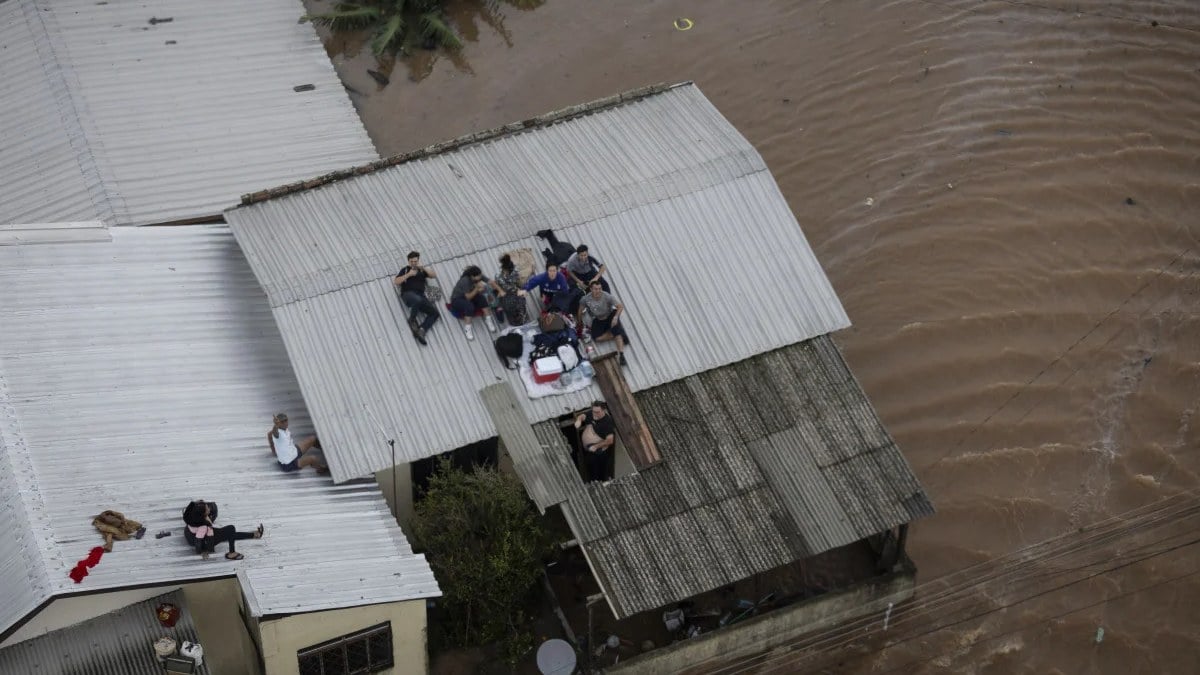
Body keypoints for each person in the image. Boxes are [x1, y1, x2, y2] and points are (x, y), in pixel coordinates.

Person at [182, 500, 263, 561]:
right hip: (206, 540)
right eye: (207, 509)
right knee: (231, 529)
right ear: (203, 514)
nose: (209, 508)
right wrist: (203, 551)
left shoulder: (193, 518)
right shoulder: (203, 527)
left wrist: (207, 518)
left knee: (230, 534)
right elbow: (198, 540)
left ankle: (254, 535)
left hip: (193, 534)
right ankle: (232, 553)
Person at [577, 280, 630, 366]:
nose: (598, 291)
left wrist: (615, 318)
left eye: (599, 289)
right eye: (595, 289)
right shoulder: (586, 299)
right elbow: (580, 311)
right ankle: (618, 334)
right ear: (591, 289)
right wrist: (579, 323)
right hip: (599, 319)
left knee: (616, 331)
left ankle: (621, 355)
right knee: (597, 338)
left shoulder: (607, 296)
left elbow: (620, 306)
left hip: (610, 316)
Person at [393, 251, 439, 345]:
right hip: (408, 294)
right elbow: (396, 281)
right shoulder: (405, 269)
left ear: (418, 261)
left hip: (420, 296)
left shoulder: (421, 270)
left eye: (415, 261)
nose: (413, 263)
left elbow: (433, 275)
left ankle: (421, 330)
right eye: (411, 261)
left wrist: (424, 268)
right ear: (408, 261)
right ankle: (412, 320)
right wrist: (409, 274)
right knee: (417, 300)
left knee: (435, 313)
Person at [450, 265, 501, 340]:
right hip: (457, 299)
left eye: (480, 275)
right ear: (472, 276)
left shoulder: (479, 276)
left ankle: (488, 320)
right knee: (469, 306)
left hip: (470, 295)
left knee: (482, 299)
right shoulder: (465, 281)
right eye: (478, 276)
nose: (480, 277)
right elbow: (468, 297)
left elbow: (490, 282)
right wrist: (477, 288)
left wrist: (500, 290)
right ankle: (468, 328)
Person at [574, 400, 616, 482]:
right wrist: (579, 420)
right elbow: (582, 416)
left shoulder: (607, 422)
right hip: (589, 450)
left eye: (597, 412)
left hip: (599, 452)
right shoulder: (591, 414)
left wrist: (595, 446)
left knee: (600, 473)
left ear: (603, 410)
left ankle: (600, 486)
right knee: (590, 469)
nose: (595, 414)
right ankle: (593, 482)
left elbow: (610, 440)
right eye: (593, 411)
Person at [495, 254, 528, 326]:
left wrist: (521, 289)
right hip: (507, 297)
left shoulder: (515, 271)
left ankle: (522, 322)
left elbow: (520, 283)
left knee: (521, 314)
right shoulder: (499, 275)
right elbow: (506, 287)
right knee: (513, 313)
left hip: (516, 297)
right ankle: (518, 323)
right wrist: (518, 290)